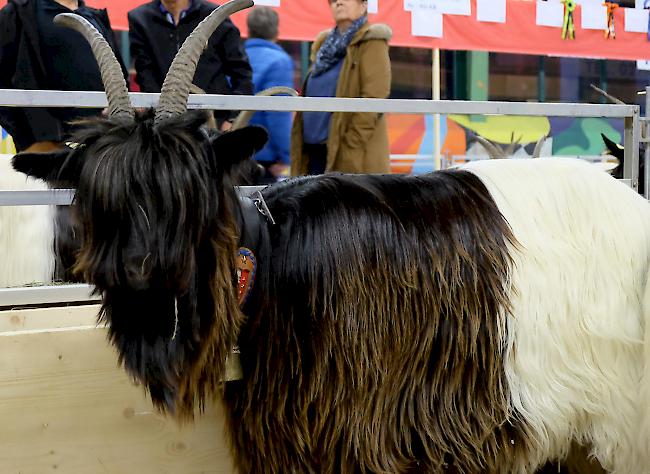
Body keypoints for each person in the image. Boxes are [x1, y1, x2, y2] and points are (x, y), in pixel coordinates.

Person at [0, 0, 128, 153]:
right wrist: (29, 138)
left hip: (102, 145)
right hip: (48, 148)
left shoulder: (96, 17)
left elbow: (120, 76)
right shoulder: (20, 13)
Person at [290, 0, 391, 175]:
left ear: (364, 5)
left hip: (348, 154)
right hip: (313, 152)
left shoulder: (371, 41)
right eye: (333, 0)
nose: (338, 3)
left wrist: (350, 144)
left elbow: (375, 98)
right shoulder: (324, 46)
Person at [128, 0, 254, 131]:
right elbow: (145, 73)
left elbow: (242, 72)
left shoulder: (214, 16)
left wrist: (233, 118)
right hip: (164, 125)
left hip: (212, 123)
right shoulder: (140, 18)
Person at [244, 6, 294, 183]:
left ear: (248, 29)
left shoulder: (237, 57)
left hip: (234, 152)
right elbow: (277, 114)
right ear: (276, 31)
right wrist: (287, 155)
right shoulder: (279, 62)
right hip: (265, 159)